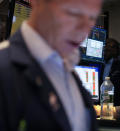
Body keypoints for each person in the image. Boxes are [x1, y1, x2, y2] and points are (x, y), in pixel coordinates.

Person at [0, 0, 103, 130]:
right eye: (73, 13)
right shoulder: (4, 68)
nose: (84, 29)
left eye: (92, 17)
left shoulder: (67, 68)